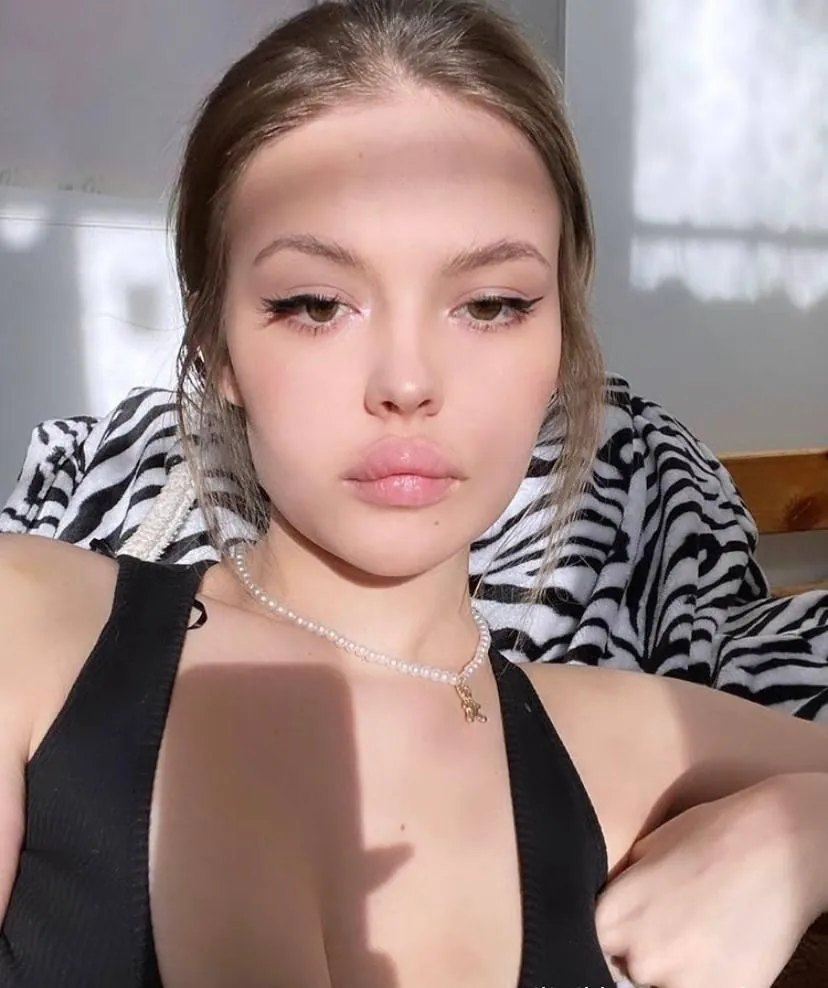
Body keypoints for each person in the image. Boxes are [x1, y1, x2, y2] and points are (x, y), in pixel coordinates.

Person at [0, 2, 826, 986]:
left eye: (491, 304)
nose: (407, 380)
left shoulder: (620, 741)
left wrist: (797, 832)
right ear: (216, 345)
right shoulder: (30, 625)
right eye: (315, 303)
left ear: (560, 338)